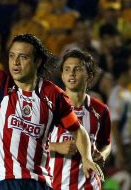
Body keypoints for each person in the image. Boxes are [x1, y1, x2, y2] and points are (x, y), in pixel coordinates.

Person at [0, 0, 103, 189]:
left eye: (23, 57)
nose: (15, 62)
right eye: (12, 56)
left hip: (38, 183)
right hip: (1, 182)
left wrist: (86, 158)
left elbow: (78, 130)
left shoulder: (52, 94)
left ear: (37, 61)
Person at [49, 49, 111, 189]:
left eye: (77, 69)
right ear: (63, 76)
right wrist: (56, 147)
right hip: (55, 185)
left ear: (89, 76)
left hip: (89, 185)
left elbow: (106, 143)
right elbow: (28, 144)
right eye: (67, 69)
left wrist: (103, 155)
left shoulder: (101, 110)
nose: (71, 73)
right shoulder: (49, 107)